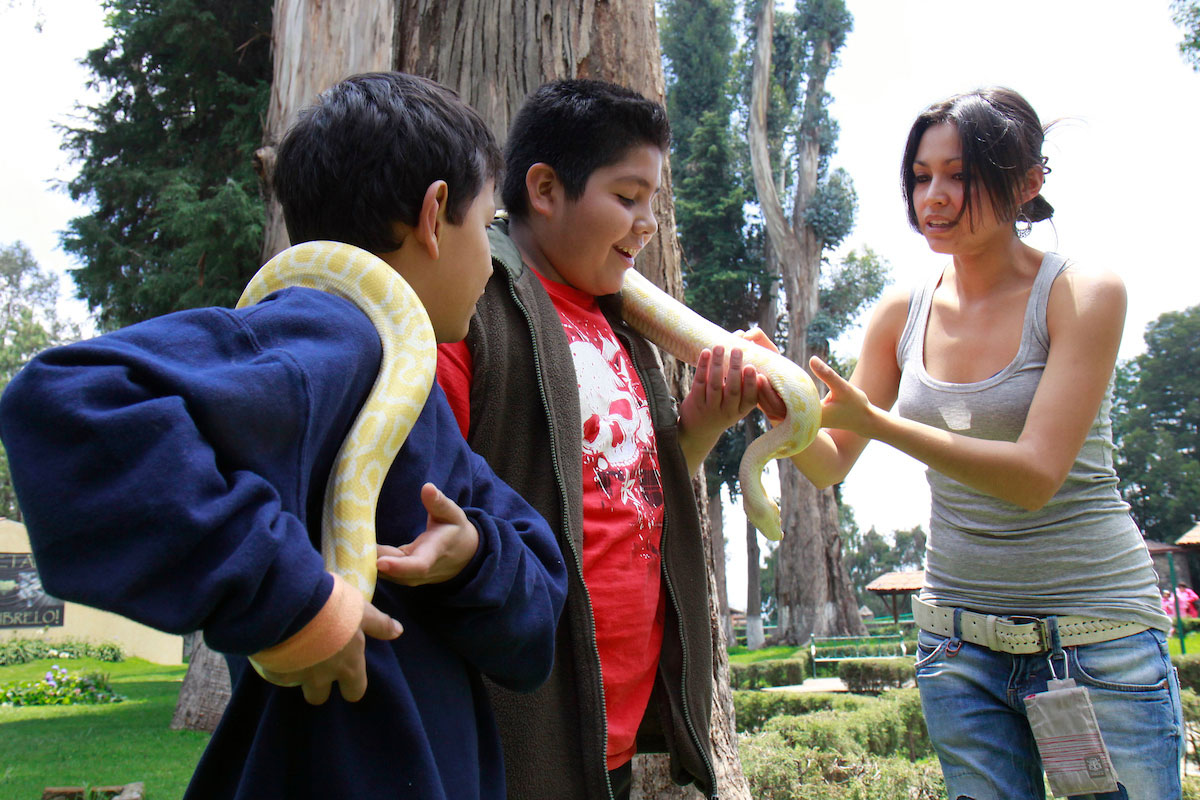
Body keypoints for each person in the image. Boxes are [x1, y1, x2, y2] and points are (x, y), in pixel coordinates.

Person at [0, 72, 568, 800]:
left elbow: (537, 619)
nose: (492, 261)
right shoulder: (332, 339)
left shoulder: (407, 387)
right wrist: (296, 605)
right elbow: (64, 404)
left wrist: (473, 559)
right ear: (434, 215)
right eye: (487, 225)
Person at [786, 87, 1181, 799]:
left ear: (1028, 183)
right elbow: (828, 461)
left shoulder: (1083, 293)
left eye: (959, 175)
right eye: (920, 176)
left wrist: (882, 424)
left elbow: (1035, 475)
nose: (933, 197)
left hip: (1096, 641)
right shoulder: (900, 312)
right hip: (958, 648)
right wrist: (771, 398)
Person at [435, 79, 769, 800]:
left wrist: (704, 422)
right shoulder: (473, 310)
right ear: (546, 189)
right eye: (626, 196)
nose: (647, 222)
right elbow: (426, 487)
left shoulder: (619, 323)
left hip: (604, 729)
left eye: (653, 201)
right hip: (516, 730)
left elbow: (624, 484)